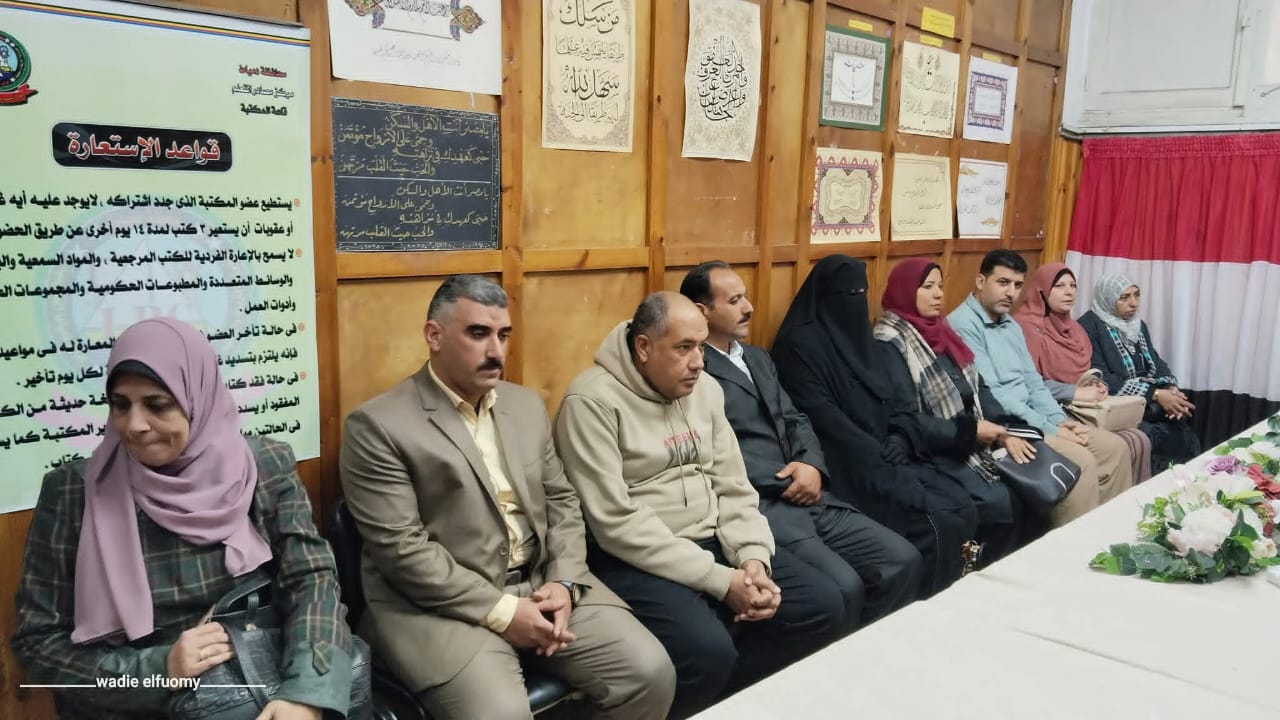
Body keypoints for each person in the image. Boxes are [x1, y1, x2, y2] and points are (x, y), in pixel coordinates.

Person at [340, 276, 674, 720]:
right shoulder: (378, 426)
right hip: (439, 608)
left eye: (503, 335)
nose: (495, 351)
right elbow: (402, 552)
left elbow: (563, 503)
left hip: (542, 584)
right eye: (478, 333)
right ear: (434, 336)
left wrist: (565, 583)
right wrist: (503, 611)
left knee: (650, 673)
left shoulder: (526, 406)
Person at [11, 317, 356, 720]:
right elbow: (37, 644)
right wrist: (158, 670)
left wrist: (307, 694)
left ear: (198, 397)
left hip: (259, 692)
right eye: (120, 405)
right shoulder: (74, 492)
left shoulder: (259, 468)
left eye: (157, 404)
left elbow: (311, 580)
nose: (135, 425)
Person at [555, 291, 845, 719]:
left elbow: (734, 486)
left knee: (822, 606)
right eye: (683, 348)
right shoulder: (591, 401)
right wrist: (722, 581)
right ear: (643, 347)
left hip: (714, 540)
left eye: (701, 347)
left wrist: (752, 560)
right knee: (707, 652)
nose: (698, 362)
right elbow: (615, 522)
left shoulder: (705, 390)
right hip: (636, 557)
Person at [681, 261, 921, 629]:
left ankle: (869, 646)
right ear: (703, 311)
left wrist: (811, 464)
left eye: (746, 297)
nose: (749, 307)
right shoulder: (693, 372)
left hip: (811, 492)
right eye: (734, 301)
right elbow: (716, 452)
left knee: (902, 559)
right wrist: (789, 479)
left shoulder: (757, 358)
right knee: (844, 588)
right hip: (763, 503)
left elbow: (795, 418)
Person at [771, 255, 979, 597]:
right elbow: (827, 421)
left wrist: (900, 436)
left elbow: (896, 401)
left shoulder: (861, 337)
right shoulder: (799, 347)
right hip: (846, 462)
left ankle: (951, 598)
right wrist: (881, 457)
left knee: (961, 504)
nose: (855, 300)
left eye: (861, 292)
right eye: (847, 293)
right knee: (930, 519)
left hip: (892, 451)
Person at [948, 250, 1133, 527]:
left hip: (1036, 418)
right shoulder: (963, 324)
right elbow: (994, 396)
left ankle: (1106, 534)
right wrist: (1051, 429)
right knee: (1082, 462)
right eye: (1003, 282)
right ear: (980, 281)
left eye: (1017, 285)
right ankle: (1072, 546)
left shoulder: (1009, 323)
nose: (1011, 293)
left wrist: (1059, 421)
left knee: (1115, 449)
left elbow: (1033, 382)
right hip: (1005, 424)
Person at [873, 259, 1028, 563]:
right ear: (905, 291)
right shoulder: (890, 341)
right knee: (1001, 502)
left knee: (1025, 488)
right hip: (934, 450)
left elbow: (979, 386)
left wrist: (1004, 430)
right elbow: (907, 419)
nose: (938, 294)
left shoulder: (941, 330)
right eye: (927, 287)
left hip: (975, 439)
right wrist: (971, 433)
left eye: (941, 286)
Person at [1013, 264, 1153, 483]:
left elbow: (1084, 370)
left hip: (1084, 408)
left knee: (1140, 439)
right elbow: (1027, 384)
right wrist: (1074, 392)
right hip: (1050, 410)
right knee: (1123, 444)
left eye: (1073, 286)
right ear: (1042, 290)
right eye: (1060, 286)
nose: (1069, 292)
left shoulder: (1075, 329)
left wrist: (1095, 382)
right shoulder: (1026, 328)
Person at [1078, 273, 1201, 474]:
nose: (1133, 303)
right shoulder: (1088, 327)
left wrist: (1171, 389)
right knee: (1159, 437)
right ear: (1107, 298)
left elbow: (1157, 363)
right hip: (1120, 404)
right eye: (1124, 297)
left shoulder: (1137, 324)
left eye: (1136, 295)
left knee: (1182, 420)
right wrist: (1156, 394)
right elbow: (1101, 378)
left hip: (1148, 400)